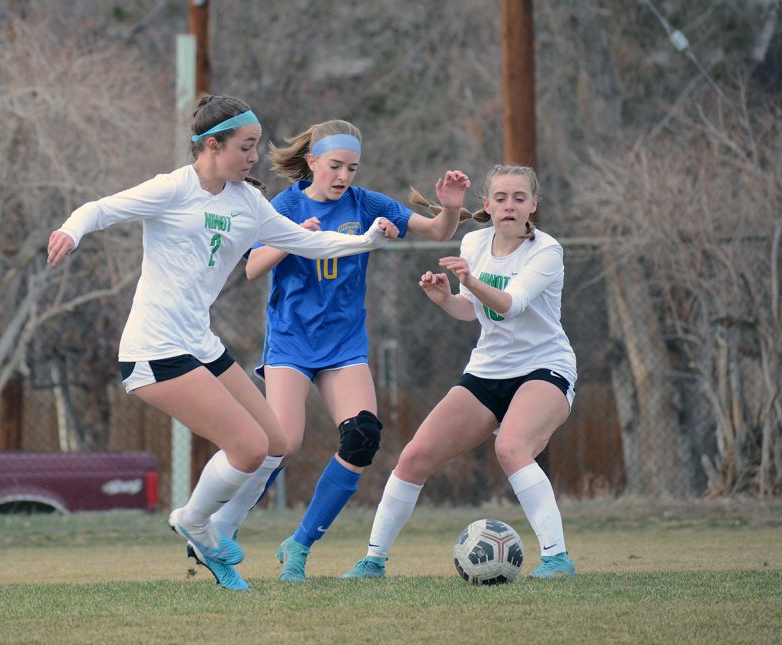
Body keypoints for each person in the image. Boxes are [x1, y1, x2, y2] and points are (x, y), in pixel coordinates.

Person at [46, 95, 398, 591]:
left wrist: (366, 241)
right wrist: (70, 229)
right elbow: (101, 209)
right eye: (246, 147)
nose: (255, 158)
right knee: (249, 446)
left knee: (275, 443)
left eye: (255, 147)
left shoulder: (248, 202)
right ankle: (195, 524)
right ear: (212, 146)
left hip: (201, 345)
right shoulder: (172, 189)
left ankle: (206, 531)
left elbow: (307, 241)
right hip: (155, 349)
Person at [206, 118, 471, 583]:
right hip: (292, 341)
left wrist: (449, 210)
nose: (344, 176)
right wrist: (296, 239)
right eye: (335, 166)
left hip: (344, 345)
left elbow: (437, 232)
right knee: (282, 444)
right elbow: (252, 268)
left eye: (352, 167)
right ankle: (219, 528)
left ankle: (300, 545)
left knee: (363, 437)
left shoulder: (365, 203)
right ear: (311, 162)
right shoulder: (284, 204)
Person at [343, 164, 579, 580]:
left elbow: (510, 303)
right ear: (486, 204)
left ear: (534, 206)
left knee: (510, 448)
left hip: (544, 368)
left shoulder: (547, 250)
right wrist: (445, 298)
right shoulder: (473, 242)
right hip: (487, 370)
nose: (510, 205)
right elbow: (473, 311)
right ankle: (373, 561)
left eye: (519, 198)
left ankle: (557, 559)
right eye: (501, 198)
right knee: (415, 456)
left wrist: (469, 279)